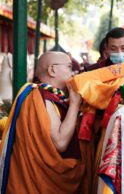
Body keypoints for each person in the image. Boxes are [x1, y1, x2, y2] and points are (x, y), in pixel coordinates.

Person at [0, 51, 92, 193]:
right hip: (37, 183)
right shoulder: (38, 97)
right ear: (52, 70)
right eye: (69, 66)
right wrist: (74, 104)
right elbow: (60, 143)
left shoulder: (49, 96)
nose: (73, 71)